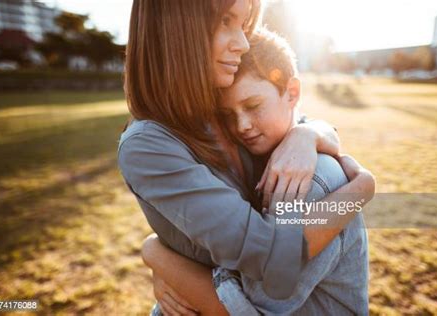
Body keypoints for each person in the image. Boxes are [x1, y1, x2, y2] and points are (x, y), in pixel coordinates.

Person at [117, 0, 375, 314]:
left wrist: (158, 256)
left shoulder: (226, 120)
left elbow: (303, 125)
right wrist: (361, 189)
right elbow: (268, 253)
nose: (241, 42)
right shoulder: (151, 143)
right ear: (178, 28)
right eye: (226, 21)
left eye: (242, 25)